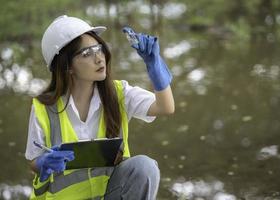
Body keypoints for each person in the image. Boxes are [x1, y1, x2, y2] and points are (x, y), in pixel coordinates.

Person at [25, 15, 174, 200]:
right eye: (87, 53)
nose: (99, 58)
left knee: (144, 167)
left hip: (109, 195)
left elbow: (165, 107)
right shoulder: (43, 107)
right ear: (67, 66)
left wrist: (155, 66)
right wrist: (43, 163)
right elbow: (33, 160)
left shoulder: (119, 93)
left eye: (99, 49)